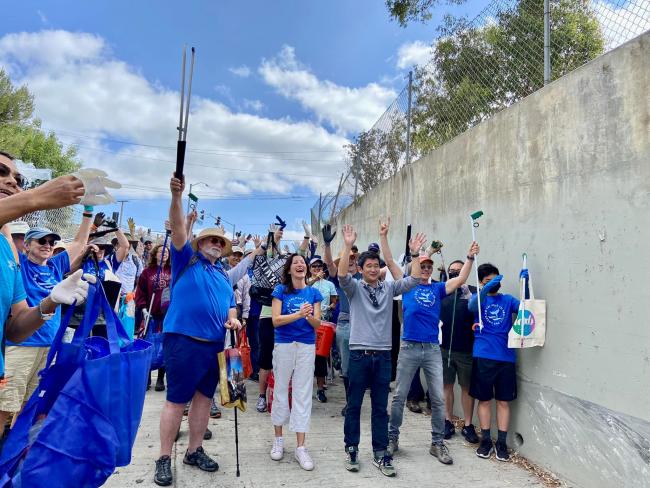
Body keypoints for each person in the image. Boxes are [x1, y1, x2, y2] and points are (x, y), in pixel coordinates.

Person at [154, 175, 242, 487]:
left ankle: (194, 449)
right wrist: (176, 197)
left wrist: (234, 320)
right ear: (200, 244)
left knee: (205, 399)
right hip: (183, 341)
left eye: (221, 242)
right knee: (176, 400)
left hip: (215, 344)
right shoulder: (185, 260)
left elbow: (230, 306)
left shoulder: (222, 275)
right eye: (211, 240)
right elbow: (179, 230)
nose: (217, 245)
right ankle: (164, 457)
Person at [0, 151, 93, 432]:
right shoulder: (20, 259)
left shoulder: (8, 255)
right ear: (25, 245)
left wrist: (49, 302)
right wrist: (36, 197)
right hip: (21, 353)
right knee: (6, 408)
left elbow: (15, 328)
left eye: (18, 179)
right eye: (1, 172)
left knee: (25, 409)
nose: (11, 182)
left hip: (41, 346)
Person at [338, 220, 425, 477]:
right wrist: (347, 245)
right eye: (368, 266)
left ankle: (380, 452)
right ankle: (352, 448)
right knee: (354, 405)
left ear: (380, 268)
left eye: (376, 265)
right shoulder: (354, 288)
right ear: (362, 269)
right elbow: (342, 275)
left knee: (379, 408)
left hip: (383, 355)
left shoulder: (389, 287)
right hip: (358, 354)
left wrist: (416, 254)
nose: (373, 269)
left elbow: (415, 279)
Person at [387, 241, 479, 466]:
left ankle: (437, 443)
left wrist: (469, 258)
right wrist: (386, 236)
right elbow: (389, 262)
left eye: (429, 267)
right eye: (423, 266)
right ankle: (392, 438)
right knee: (399, 396)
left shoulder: (437, 289)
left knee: (438, 398)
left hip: (431, 349)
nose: (426, 270)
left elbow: (460, 280)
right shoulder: (407, 285)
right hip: (409, 346)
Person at [269, 254, 323, 471]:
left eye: (303, 263)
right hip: (283, 345)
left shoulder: (314, 293)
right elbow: (275, 321)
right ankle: (279, 440)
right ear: (289, 269)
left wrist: (308, 316)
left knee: (302, 393)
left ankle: (301, 447)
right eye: (295, 263)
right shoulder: (280, 290)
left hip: (306, 347)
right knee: (280, 389)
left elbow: (317, 324)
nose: (300, 265)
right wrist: (299, 314)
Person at [468, 263, 522, 462]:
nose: (494, 284)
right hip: (483, 356)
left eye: (496, 279)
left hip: (506, 358)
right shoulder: (478, 300)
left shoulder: (507, 300)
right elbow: (472, 307)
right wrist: (485, 290)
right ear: (481, 283)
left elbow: (527, 309)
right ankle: (485, 440)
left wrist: (524, 285)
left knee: (503, 401)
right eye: (488, 281)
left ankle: (501, 442)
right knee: (484, 400)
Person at [440, 259, 479, 443]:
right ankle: (447, 421)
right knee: (446, 386)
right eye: (452, 270)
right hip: (444, 348)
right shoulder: (442, 290)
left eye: (459, 270)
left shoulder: (472, 292)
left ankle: (468, 424)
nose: (455, 273)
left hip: (466, 350)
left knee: (467, 388)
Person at [322, 224, 360, 417]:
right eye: (348, 258)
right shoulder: (339, 279)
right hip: (345, 324)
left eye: (354, 258)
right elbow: (329, 264)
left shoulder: (365, 276)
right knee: (346, 367)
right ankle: (350, 402)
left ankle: (357, 401)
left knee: (361, 367)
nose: (351, 261)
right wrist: (327, 245)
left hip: (365, 326)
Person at [135, 243, 171, 391]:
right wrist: (143, 308)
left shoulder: (173, 271)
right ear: (155, 254)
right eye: (161, 251)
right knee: (149, 345)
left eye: (167, 252)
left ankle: (161, 378)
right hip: (150, 314)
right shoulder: (147, 272)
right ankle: (147, 377)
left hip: (167, 315)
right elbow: (140, 293)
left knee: (164, 346)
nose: (164, 254)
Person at [307, 256, 337, 403]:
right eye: (314, 267)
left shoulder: (329, 284)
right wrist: (314, 279)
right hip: (304, 324)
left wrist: (332, 305)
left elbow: (334, 299)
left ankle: (320, 388)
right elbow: (304, 290)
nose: (317, 269)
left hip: (322, 323)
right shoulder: (305, 282)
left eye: (319, 266)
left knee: (320, 357)